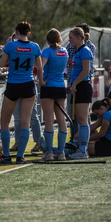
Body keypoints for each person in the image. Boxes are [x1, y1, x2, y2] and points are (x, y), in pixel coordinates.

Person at [0, 21, 43, 164]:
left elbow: (1, 65)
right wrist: (42, 82)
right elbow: (39, 68)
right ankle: (20, 156)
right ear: (28, 33)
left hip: (13, 84)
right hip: (28, 84)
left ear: (16, 32)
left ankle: (7, 155)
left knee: (5, 122)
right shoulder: (35, 46)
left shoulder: (11, 45)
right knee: (26, 123)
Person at [40, 28, 69, 162]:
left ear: (47, 40)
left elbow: (40, 67)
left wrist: (41, 81)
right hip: (60, 86)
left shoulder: (47, 51)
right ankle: (61, 152)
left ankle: (50, 152)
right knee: (61, 120)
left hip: (49, 86)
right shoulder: (64, 51)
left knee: (49, 120)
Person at [66, 27, 93, 159]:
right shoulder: (78, 52)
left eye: (71, 37)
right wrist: (71, 85)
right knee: (79, 120)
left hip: (83, 86)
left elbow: (86, 71)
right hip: (77, 86)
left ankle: (83, 150)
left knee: (83, 121)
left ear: (78, 37)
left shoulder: (85, 51)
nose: (69, 40)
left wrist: (75, 83)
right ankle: (80, 148)